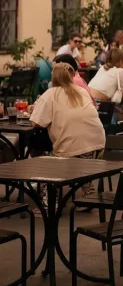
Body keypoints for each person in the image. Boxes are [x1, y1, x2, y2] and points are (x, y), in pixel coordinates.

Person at [30, 61, 105, 197]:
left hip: (71, 151)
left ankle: (49, 203)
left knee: (45, 163)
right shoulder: (81, 91)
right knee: (78, 152)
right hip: (97, 146)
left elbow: (37, 123)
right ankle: (87, 190)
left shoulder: (51, 94)